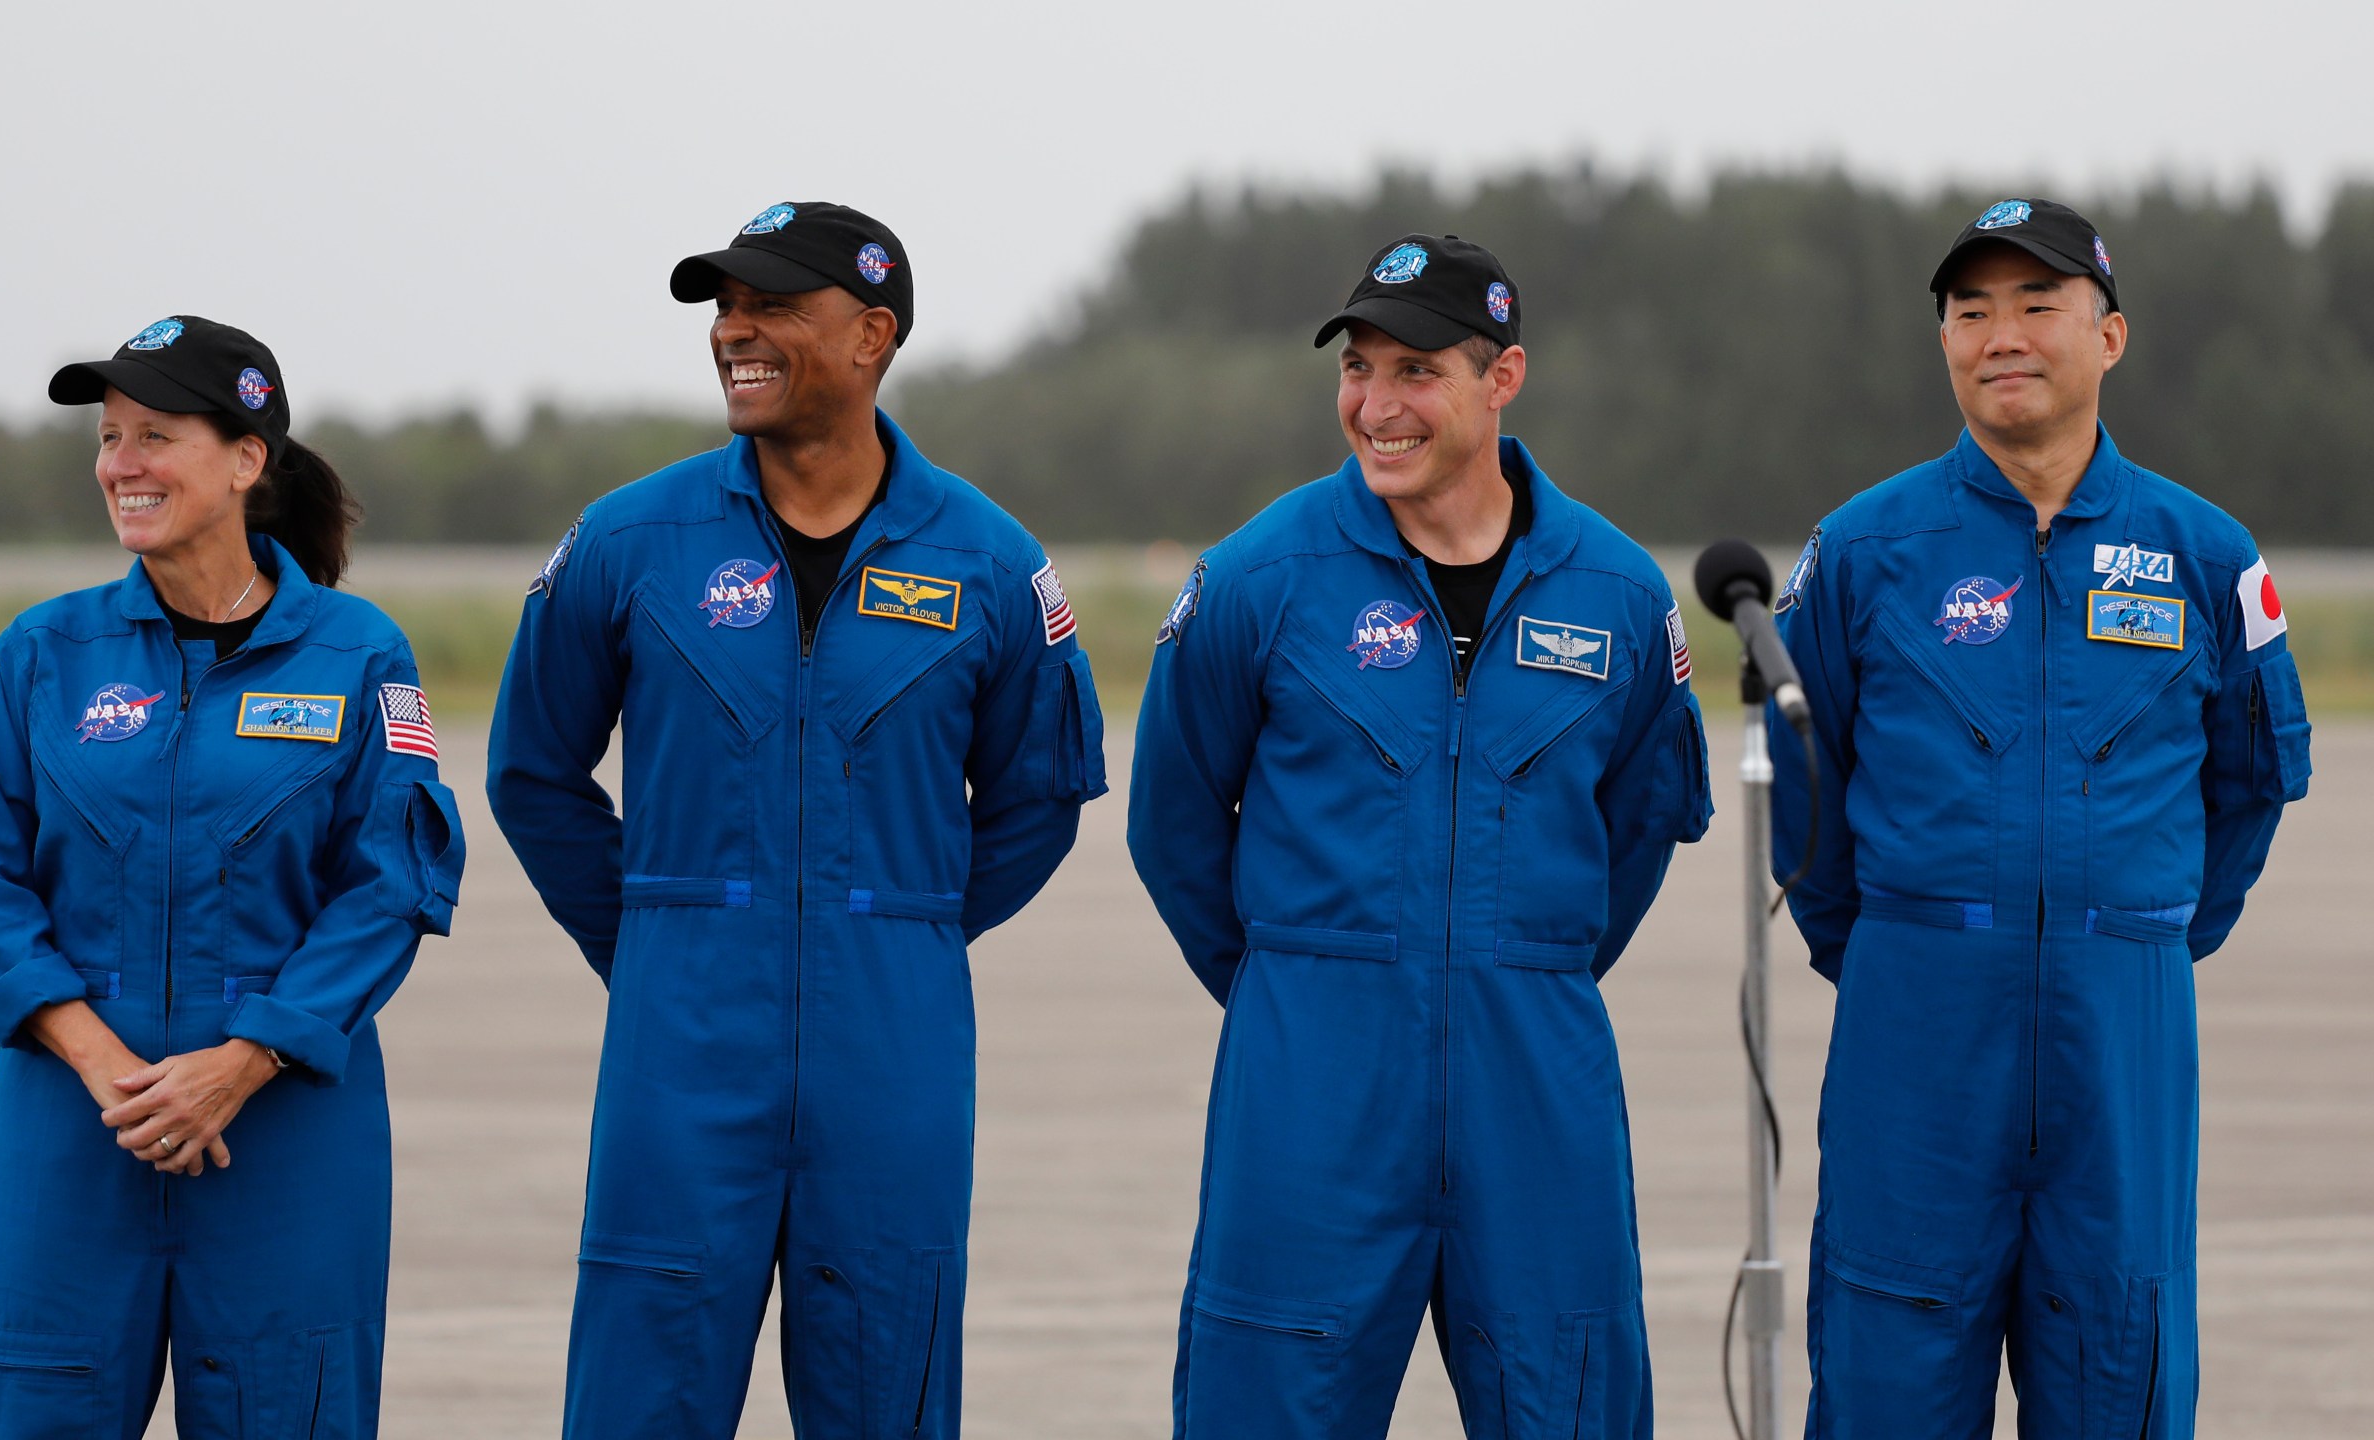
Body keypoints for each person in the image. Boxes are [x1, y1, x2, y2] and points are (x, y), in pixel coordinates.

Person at [486, 201, 1105, 1439]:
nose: (735, 332)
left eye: (772, 306)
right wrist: (656, 941)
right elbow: (531, 773)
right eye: (725, 309)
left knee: (888, 1385)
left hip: (895, 1050)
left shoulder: (990, 562)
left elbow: (1039, 800)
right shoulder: (628, 541)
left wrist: (904, 930)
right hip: (681, 1047)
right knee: (638, 1392)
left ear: (872, 333)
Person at [1128, 234, 1710, 1438]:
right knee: (1265, 1404)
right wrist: (1292, 980)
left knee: (1571, 1402)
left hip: (1536, 1079)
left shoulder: (1618, 595)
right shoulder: (1258, 577)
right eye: (1358, 370)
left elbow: (1639, 829)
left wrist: (1525, 961)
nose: (1375, 406)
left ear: (1502, 378)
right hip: (1311, 1082)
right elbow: (1173, 819)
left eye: (1415, 373)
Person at [1771, 199, 2313, 1438]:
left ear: (2109, 336)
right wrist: (1900, 949)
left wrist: (2145, 932)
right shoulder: (1862, 551)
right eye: (1971, 311)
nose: (1999, 334)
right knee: (1885, 1377)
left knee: (2117, 1362)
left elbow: (2251, 784)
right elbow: (1802, 784)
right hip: (1913, 1027)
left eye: (2035, 304)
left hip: (2118, 1024)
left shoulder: (2203, 556)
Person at [0, 315, 465, 1437]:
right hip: (75, 1119)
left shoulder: (358, 654)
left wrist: (248, 1058)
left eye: (155, 435)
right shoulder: (43, 652)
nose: (121, 463)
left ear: (246, 459)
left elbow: (396, 875)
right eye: (111, 437)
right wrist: (99, 1058)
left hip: (286, 1124)